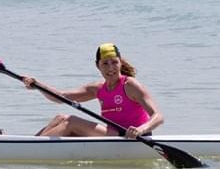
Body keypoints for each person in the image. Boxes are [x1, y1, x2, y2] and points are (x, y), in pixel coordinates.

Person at [22, 42, 164, 138]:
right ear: (98, 66)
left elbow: (158, 116)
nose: (110, 68)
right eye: (105, 63)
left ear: (120, 63)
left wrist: (141, 129)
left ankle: (27, 149)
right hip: (113, 135)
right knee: (60, 118)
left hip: (133, 138)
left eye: (114, 62)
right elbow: (61, 96)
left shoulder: (130, 85)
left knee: (71, 122)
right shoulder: (98, 89)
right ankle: (25, 143)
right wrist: (37, 85)